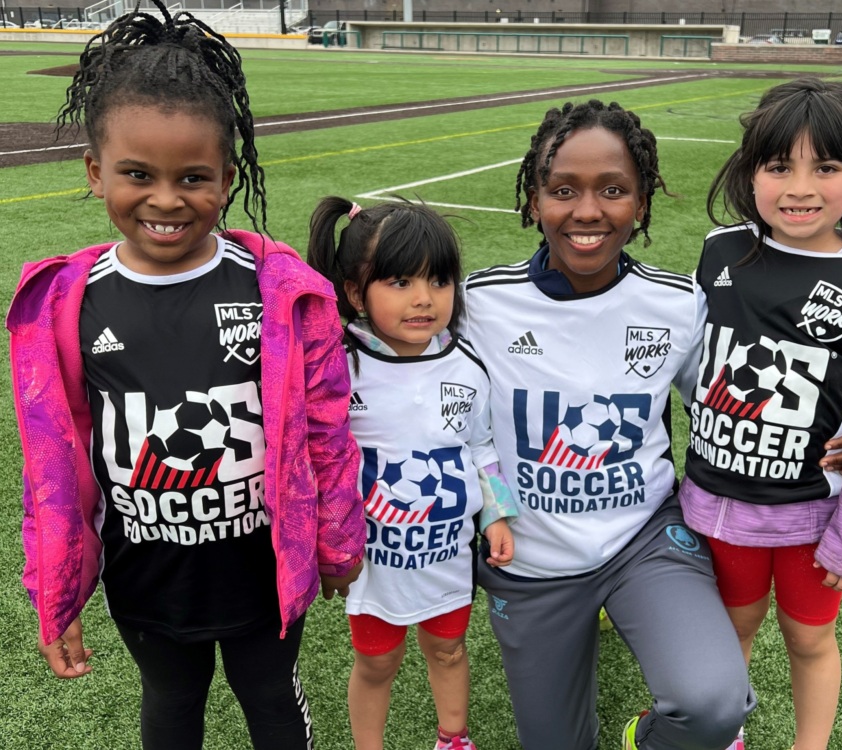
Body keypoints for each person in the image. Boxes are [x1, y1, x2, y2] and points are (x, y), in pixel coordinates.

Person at [6, 2, 365, 748]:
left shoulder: (282, 290)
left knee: (270, 696)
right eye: (138, 174)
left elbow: (329, 428)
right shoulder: (66, 305)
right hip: (148, 581)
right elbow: (51, 467)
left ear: (228, 177)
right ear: (95, 171)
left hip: (262, 573)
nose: (166, 200)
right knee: (171, 704)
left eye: (193, 177)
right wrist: (56, 593)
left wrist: (335, 542)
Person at [462, 100, 756, 750]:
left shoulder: (677, 304)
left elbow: (723, 407)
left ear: (643, 203)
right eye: (563, 190)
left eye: (613, 190)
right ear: (534, 200)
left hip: (642, 540)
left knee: (713, 706)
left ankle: (643, 735)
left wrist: (822, 437)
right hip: (531, 560)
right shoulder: (479, 306)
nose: (588, 211)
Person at [681, 77, 842, 750]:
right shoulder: (722, 251)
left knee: (810, 638)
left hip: (811, 521)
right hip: (719, 502)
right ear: (749, 170)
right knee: (731, 627)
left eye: (826, 167)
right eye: (779, 165)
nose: (800, 187)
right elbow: (693, 363)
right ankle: (725, 731)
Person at [306, 197, 517, 750]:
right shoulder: (338, 365)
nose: (425, 299)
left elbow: (481, 446)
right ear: (355, 292)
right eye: (400, 281)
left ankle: (454, 738)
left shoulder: (468, 365)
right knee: (377, 664)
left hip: (445, 556)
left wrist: (496, 515)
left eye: (440, 280)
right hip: (375, 565)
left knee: (448, 649)